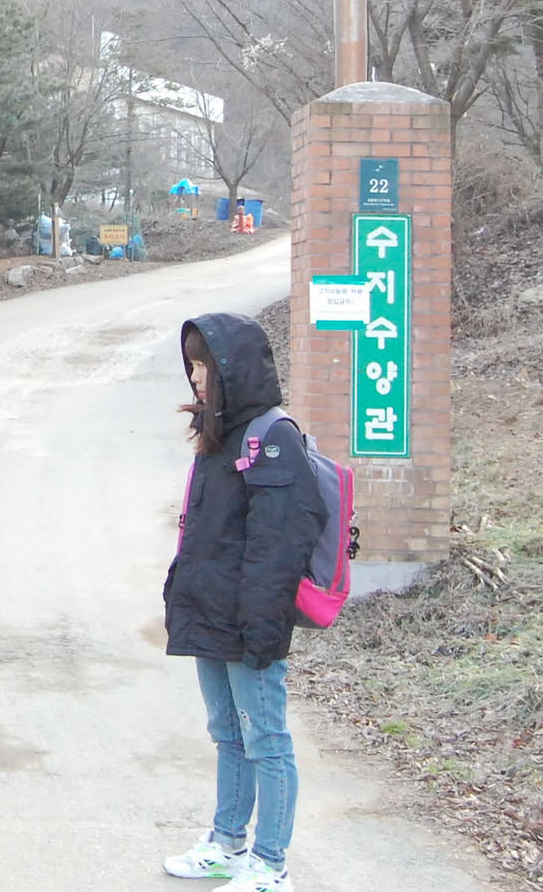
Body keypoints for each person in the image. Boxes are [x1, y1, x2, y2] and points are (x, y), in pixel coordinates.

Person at [161, 314, 328, 892]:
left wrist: (262, 628)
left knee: (266, 741)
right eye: (192, 365)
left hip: (249, 620)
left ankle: (270, 864)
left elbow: (280, 544)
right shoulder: (221, 433)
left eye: (205, 364)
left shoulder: (272, 438)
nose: (196, 376)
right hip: (211, 613)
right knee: (228, 733)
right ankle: (227, 844)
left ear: (233, 368)